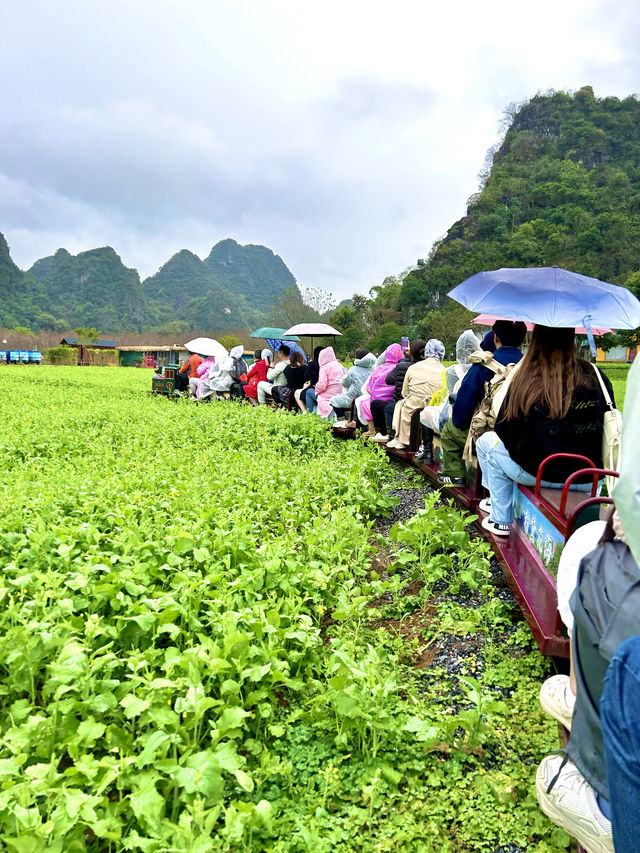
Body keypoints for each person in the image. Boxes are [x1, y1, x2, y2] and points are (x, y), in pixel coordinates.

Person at [476, 324, 614, 536]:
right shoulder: (595, 375)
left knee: (487, 443)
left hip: (537, 473)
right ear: (571, 338)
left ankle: (500, 518)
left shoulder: (526, 376)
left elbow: (504, 429)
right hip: (589, 478)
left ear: (536, 338)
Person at [438, 320, 527, 486]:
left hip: (488, 432)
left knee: (450, 429)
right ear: (521, 340)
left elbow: (462, 407)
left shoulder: (485, 364)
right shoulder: (530, 366)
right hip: (521, 436)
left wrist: (459, 422)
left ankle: (454, 474)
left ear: (495, 338)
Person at [419, 329, 480, 461]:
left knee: (426, 412)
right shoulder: (484, 369)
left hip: (455, 418)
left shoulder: (452, 371)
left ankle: (427, 451)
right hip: (477, 420)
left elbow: (449, 397)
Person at [388, 339, 445, 450]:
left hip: (412, 409)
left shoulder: (413, 368)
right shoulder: (445, 370)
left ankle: (402, 439)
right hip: (433, 409)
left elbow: (404, 393)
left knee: (401, 404)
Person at [369, 342, 417, 442]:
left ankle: (384, 433)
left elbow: (385, 381)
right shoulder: (420, 366)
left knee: (377, 405)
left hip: (399, 403)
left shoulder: (394, 367)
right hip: (418, 402)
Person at [355, 343, 404, 437]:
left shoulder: (380, 368)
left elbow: (369, 387)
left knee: (365, 403)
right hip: (392, 400)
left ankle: (374, 430)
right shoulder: (400, 368)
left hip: (376, 401)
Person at [332, 349, 376, 424]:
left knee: (334, 400)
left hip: (353, 398)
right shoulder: (374, 368)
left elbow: (345, 383)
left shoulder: (354, 369)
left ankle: (342, 421)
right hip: (370, 397)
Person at [302, 347, 345, 418]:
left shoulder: (324, 367)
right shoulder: (339, 365)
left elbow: (322, 385)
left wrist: (316, 389)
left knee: (309, 392)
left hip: (328, 396)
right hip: (340, 394)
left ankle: (308, 416)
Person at [294, 346, 322, 412]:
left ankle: (305, 412)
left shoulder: (312, 364)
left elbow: (306, 377)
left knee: (299, 394)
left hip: (314, 387)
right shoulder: (327, 365)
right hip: (325, 390)